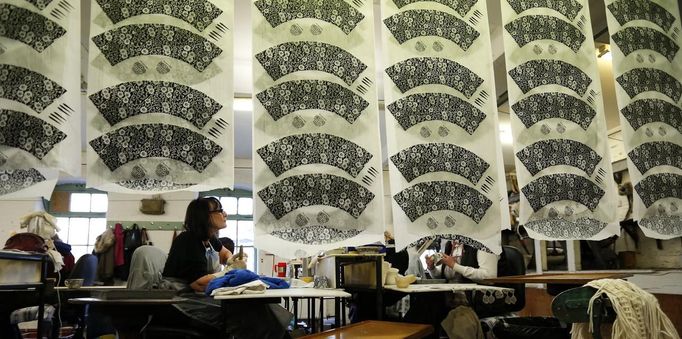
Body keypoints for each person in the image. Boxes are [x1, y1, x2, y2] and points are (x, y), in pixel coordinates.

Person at [158, 197, 292, 339]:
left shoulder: (209, 238)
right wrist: (229, 271)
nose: (225, 214)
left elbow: (224, 253)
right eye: (220, 210)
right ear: (205, 216)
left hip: (200, 297)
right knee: (248, 312)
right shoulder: (188, 241)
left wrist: (231, 259)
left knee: (257, 307)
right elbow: (199, 284)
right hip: (182, 302)